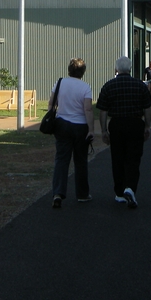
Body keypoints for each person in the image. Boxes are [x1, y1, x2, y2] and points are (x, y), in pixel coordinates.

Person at [98, 56, 151, 209]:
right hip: (135, 123)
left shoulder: (109, 86)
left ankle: (119, 192)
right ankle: (130, 188)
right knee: (133, 158)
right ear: (130, 69)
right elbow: (148, 108)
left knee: (117, 158)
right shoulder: (140, 86)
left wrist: (103, 130)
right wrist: (147, 126)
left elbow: (103, 110)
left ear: (116, 69)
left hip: (116, 124)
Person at [49, 58, 94, 208]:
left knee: (61, 159)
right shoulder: (85, 87)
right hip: (80, 125)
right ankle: (82, 194)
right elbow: (87, 109)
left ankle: (58, 193)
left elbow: (51, 104)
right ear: (83, 72)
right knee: (80, 161)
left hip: (62, 124)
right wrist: (91, 129)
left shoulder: (60, 83)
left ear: (69, 69)